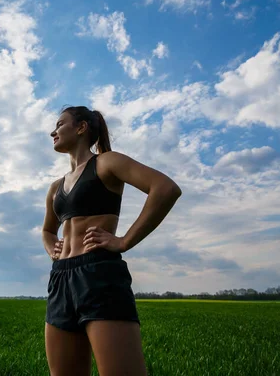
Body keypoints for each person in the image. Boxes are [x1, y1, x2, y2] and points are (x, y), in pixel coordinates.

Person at [42, 106, 182, 376]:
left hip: (99, 274)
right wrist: (52, 248)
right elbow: (48, 231)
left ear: (81, 128)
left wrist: (124, 241)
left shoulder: (107, 163)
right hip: (60, 280)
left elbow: (165, 189)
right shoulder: (55, 187)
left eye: (60, 124)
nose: (53, 131)